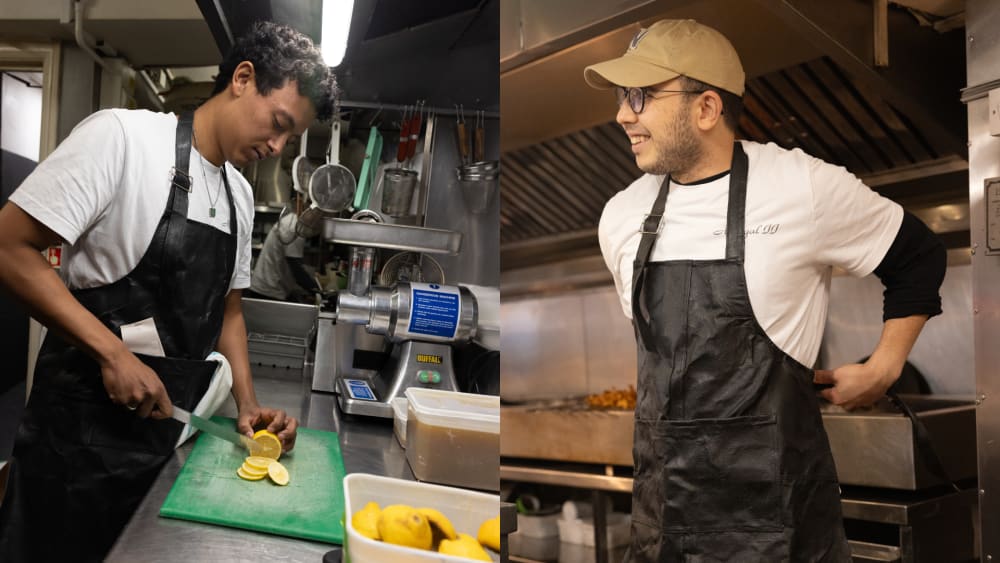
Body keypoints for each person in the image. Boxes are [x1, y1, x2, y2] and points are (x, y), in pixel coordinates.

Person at [584, 19, 945, 562]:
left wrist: (883, 368)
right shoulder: (621, 217)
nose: (622, 115)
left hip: (781, 528)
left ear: (706, 108)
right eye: (621, 96)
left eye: (641, 96)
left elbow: (918, 257)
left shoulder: (802, 187)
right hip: (665, 526)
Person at [0, 21, 337, 561]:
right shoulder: (122, 138)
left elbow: (229, 311)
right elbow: (9, 247)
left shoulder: (240, 198)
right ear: (243, 78)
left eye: (290, 139)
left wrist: (247, 407)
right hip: (74, 449)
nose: (277, 146)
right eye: (278, 124)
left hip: (163, 447)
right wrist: (112, 353)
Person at [248, 196, 323, 301]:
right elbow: (296, 267)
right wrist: (316, 290)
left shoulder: (295, 223)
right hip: (267, 291)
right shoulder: (294, 227)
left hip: (271, 287)